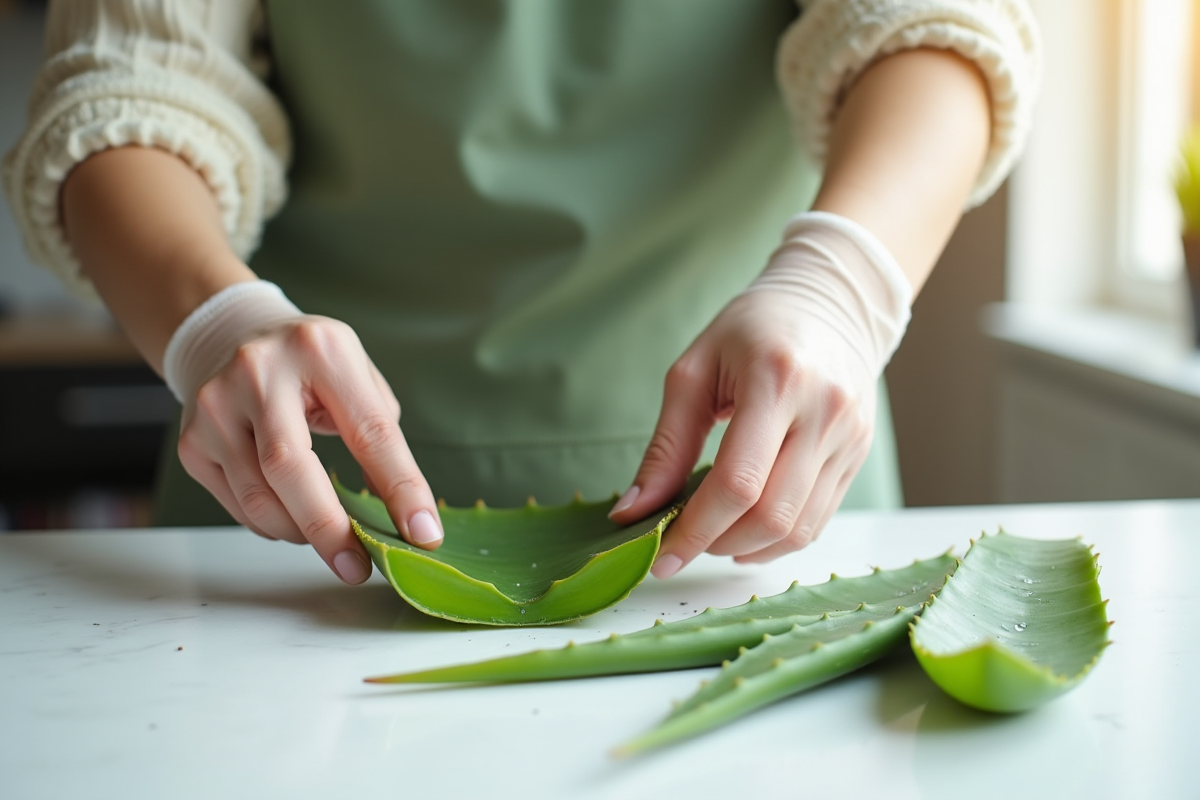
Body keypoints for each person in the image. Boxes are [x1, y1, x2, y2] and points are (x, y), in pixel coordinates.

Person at [3, 0, 1039, 586]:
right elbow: (127, 85)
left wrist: (837, 284)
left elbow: (939, 20)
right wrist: (218, 322)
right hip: (291, 523)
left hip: (761, 514)